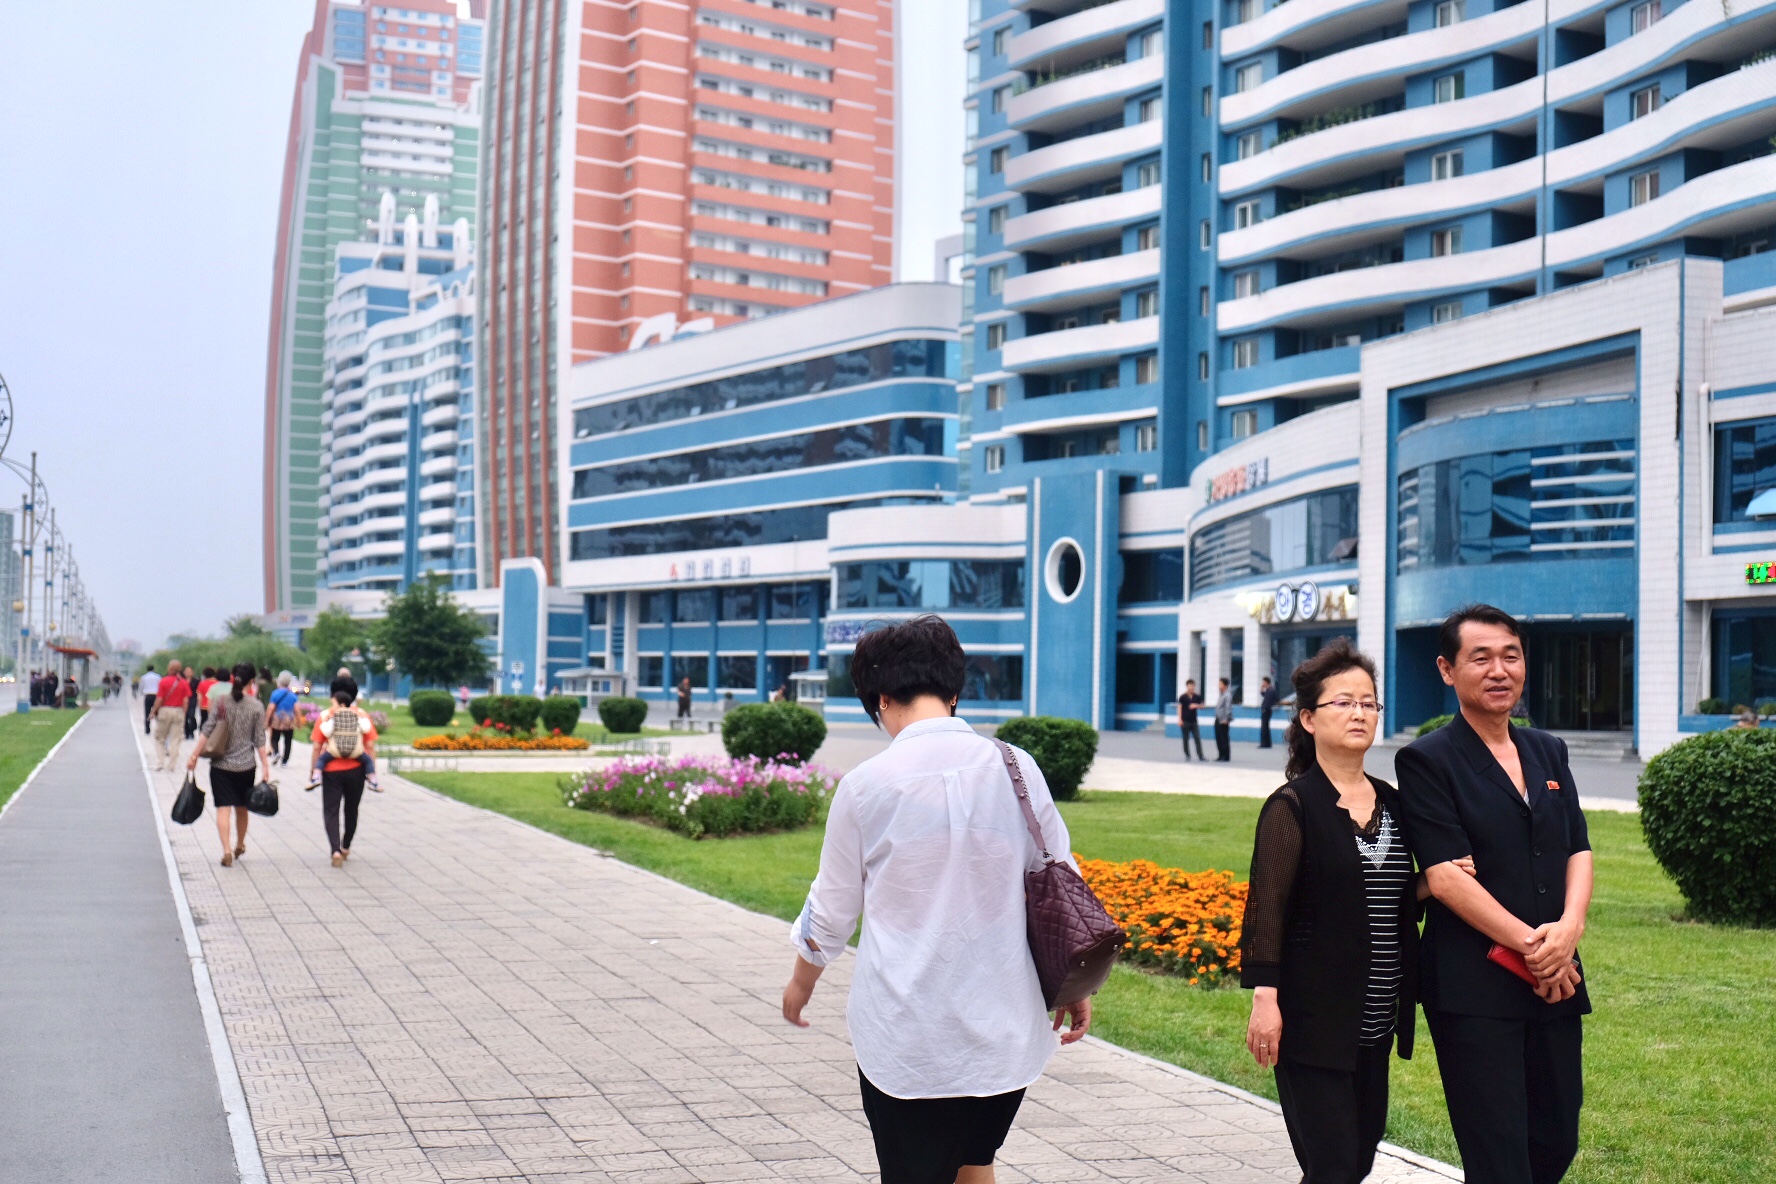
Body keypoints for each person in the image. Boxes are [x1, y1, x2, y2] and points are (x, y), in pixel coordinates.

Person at [783, 615, 1090, 1184]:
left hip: (909, 1040)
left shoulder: (866, 785)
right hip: (1003, 1031)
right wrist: (1076, 985)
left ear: (879, 699)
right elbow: (1059, 879)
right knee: (976, 1163)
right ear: (953, 691)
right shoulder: (1017, 767)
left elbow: (830, 910)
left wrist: (800, 986)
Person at [1241, 640, 1477, 1184]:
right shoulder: (1292, 805)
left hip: (1374, 1020)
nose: (1359, 713)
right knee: (1333, 1165)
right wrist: (1265, 1000)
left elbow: (1385, 893)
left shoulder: (1394, 801)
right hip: (1312, 1018)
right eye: (1343, 702)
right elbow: (1266, 910)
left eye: (1369, 703)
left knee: (1360, 1157)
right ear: (1309, 717)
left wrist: (1435, 882)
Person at [1396, 605, 1593, 1184]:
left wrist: (1569, 932)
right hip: (1475, 986)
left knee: (1556, 1140)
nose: (1499, 669)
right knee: (1499, 1157)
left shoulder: (1548, 750)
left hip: (1558, 976)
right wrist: (1537, 949)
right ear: (1447, 670)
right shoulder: (1428, 760)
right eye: (1480, 658)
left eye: (1511, 655)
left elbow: (1577, 848)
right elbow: (1447, 875)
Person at [187, 662, 271, 868]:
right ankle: (240, 844)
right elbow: (259, 739)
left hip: (221, 765)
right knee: (242, 808)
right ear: (252, 681)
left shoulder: (221, 702)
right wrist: (265, 766)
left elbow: (207, 729)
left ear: (234, 678)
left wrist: (194, 755)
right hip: (246, 766)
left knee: (223, 808)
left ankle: (226, 851)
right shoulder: (256, 706)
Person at [309, 675, 378, 868]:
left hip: (331, 770)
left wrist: (314, 770)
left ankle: (335, 850)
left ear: (333, 695)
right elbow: (370, 745)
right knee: (351, 809)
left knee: (331, 810)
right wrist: (371, 771)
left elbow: (316, 747)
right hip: (356, 769)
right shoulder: (362, 715)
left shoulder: (325, 716)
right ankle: (346, 845)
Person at [151, 660, 191, 771]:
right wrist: (184, 712)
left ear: (169, 669)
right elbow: (186, 700)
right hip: (178, 711)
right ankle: (172, 765)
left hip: (164, 710)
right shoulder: (183, 683)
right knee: (175, 739)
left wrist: (154, 711)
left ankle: (160, 762)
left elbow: (159, 698)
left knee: (160, 738)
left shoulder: (163, 681)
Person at [267, 671, 300, 767]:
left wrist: (267, 720)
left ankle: (276, 752)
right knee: (288, 740)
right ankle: (285, 761)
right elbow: (297, 709)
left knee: (275, 738)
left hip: (277, 718)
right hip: (289, 719)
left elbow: (271, 708)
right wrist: (298, 722)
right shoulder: (293, 695)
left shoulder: (275, 693)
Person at [1177, 679, 1205, 760]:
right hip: (1185, 720)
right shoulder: (1182, 697)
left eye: (1193, 686)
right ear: (1187, 686)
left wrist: (1195, 706)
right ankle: (1187, 755)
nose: (1191, 687)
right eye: (1190, 686)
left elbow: (1202, 706)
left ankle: (1200, 755)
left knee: (1197, 738)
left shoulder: (1197, 696)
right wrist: (1180, 719)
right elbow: (1179, 708)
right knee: (1185, 739)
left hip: (1194, 721)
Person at [1214, 677, 1234, 762]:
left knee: (1224, 738)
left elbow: (1228, 707)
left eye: (1220, 684)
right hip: (1218, 719)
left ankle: (1226, 756)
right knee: (1218, 738)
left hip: (1223, 720)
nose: (1219, 685)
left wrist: (1226, 719)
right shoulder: (1221, 694)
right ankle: (1220, 754)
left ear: (1225, 685)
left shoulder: (1227, 695)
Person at [1258, 676, 1280, 749]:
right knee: (1266, 727)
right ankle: (1267, 743)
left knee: (1264, 727)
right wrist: (1261, 688)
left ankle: (1264, 743)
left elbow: (1268, 700)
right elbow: (1263, 694)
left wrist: (1266, 707)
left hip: (1266, 710)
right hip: (1267, 710)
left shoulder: (1270, 690)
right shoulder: (1270, 690)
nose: (1263, 683)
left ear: (1267, 682)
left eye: (1263, 682)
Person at [140, 665, 161, 733]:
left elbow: (141, 686)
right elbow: (160, 685)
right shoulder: (158, 676)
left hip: (148, 695)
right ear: (153, 669)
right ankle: (159, 728)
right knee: (157, 712)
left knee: (147, 712)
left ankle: (147, 729)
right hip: (156, 696)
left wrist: (142, 693)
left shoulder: (144, 677)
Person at [182, 665, 201, 740]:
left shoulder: (196, 680)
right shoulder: (182, 680)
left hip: (193, 699)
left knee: (191, 715)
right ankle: (186, 732)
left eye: (189, 671)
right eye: (186, 671)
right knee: (185, 716)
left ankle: (192, 730)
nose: (188, 673)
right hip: (184, 700)